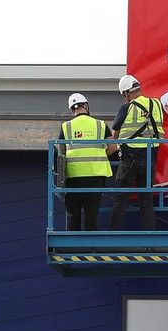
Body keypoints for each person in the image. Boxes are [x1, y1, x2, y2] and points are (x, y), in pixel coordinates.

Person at [108, 74, 164, 231]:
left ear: (126, 93)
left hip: (129, 160)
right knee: (146, 201)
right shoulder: (157, 104)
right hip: (150, 158)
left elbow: (116, 134)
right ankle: (149, 240)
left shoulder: (126, 107)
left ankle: (112, 238)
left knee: (120, 200)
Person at [57, 93, 115, 231]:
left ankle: (72, 247)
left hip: (73, 176)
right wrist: (99, 155)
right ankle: (91, 247)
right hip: (96, 176)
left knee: (73, 213)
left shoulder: (66, 127)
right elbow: (113, 147)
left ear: (72, 109)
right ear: (87, 106)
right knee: (92, 212)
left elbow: (61, 152)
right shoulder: (100, 125)